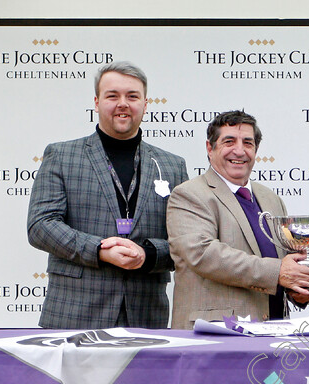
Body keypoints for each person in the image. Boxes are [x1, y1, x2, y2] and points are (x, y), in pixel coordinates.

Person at [27, 61, 188, 329]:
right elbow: (40, 226)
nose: (123, 103)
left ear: (146, 104)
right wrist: (99, 250)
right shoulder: (62, 156)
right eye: (112, 95)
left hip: (146, 317)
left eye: (132, 96)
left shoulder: (173, 165)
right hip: (75, 315)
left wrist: (147, 255)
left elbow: (185, 241)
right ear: (97, 102)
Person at [166, 110, 309, 329]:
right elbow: (203, 254)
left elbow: (284, 264)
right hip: (215, 336)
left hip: (273, 334)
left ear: (255, 150)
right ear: (210, 148)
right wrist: (278, 272)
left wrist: (298, 289)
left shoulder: (271, 199)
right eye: (229, 141)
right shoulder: (189, 194)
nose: (239, 151)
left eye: (248, 143)